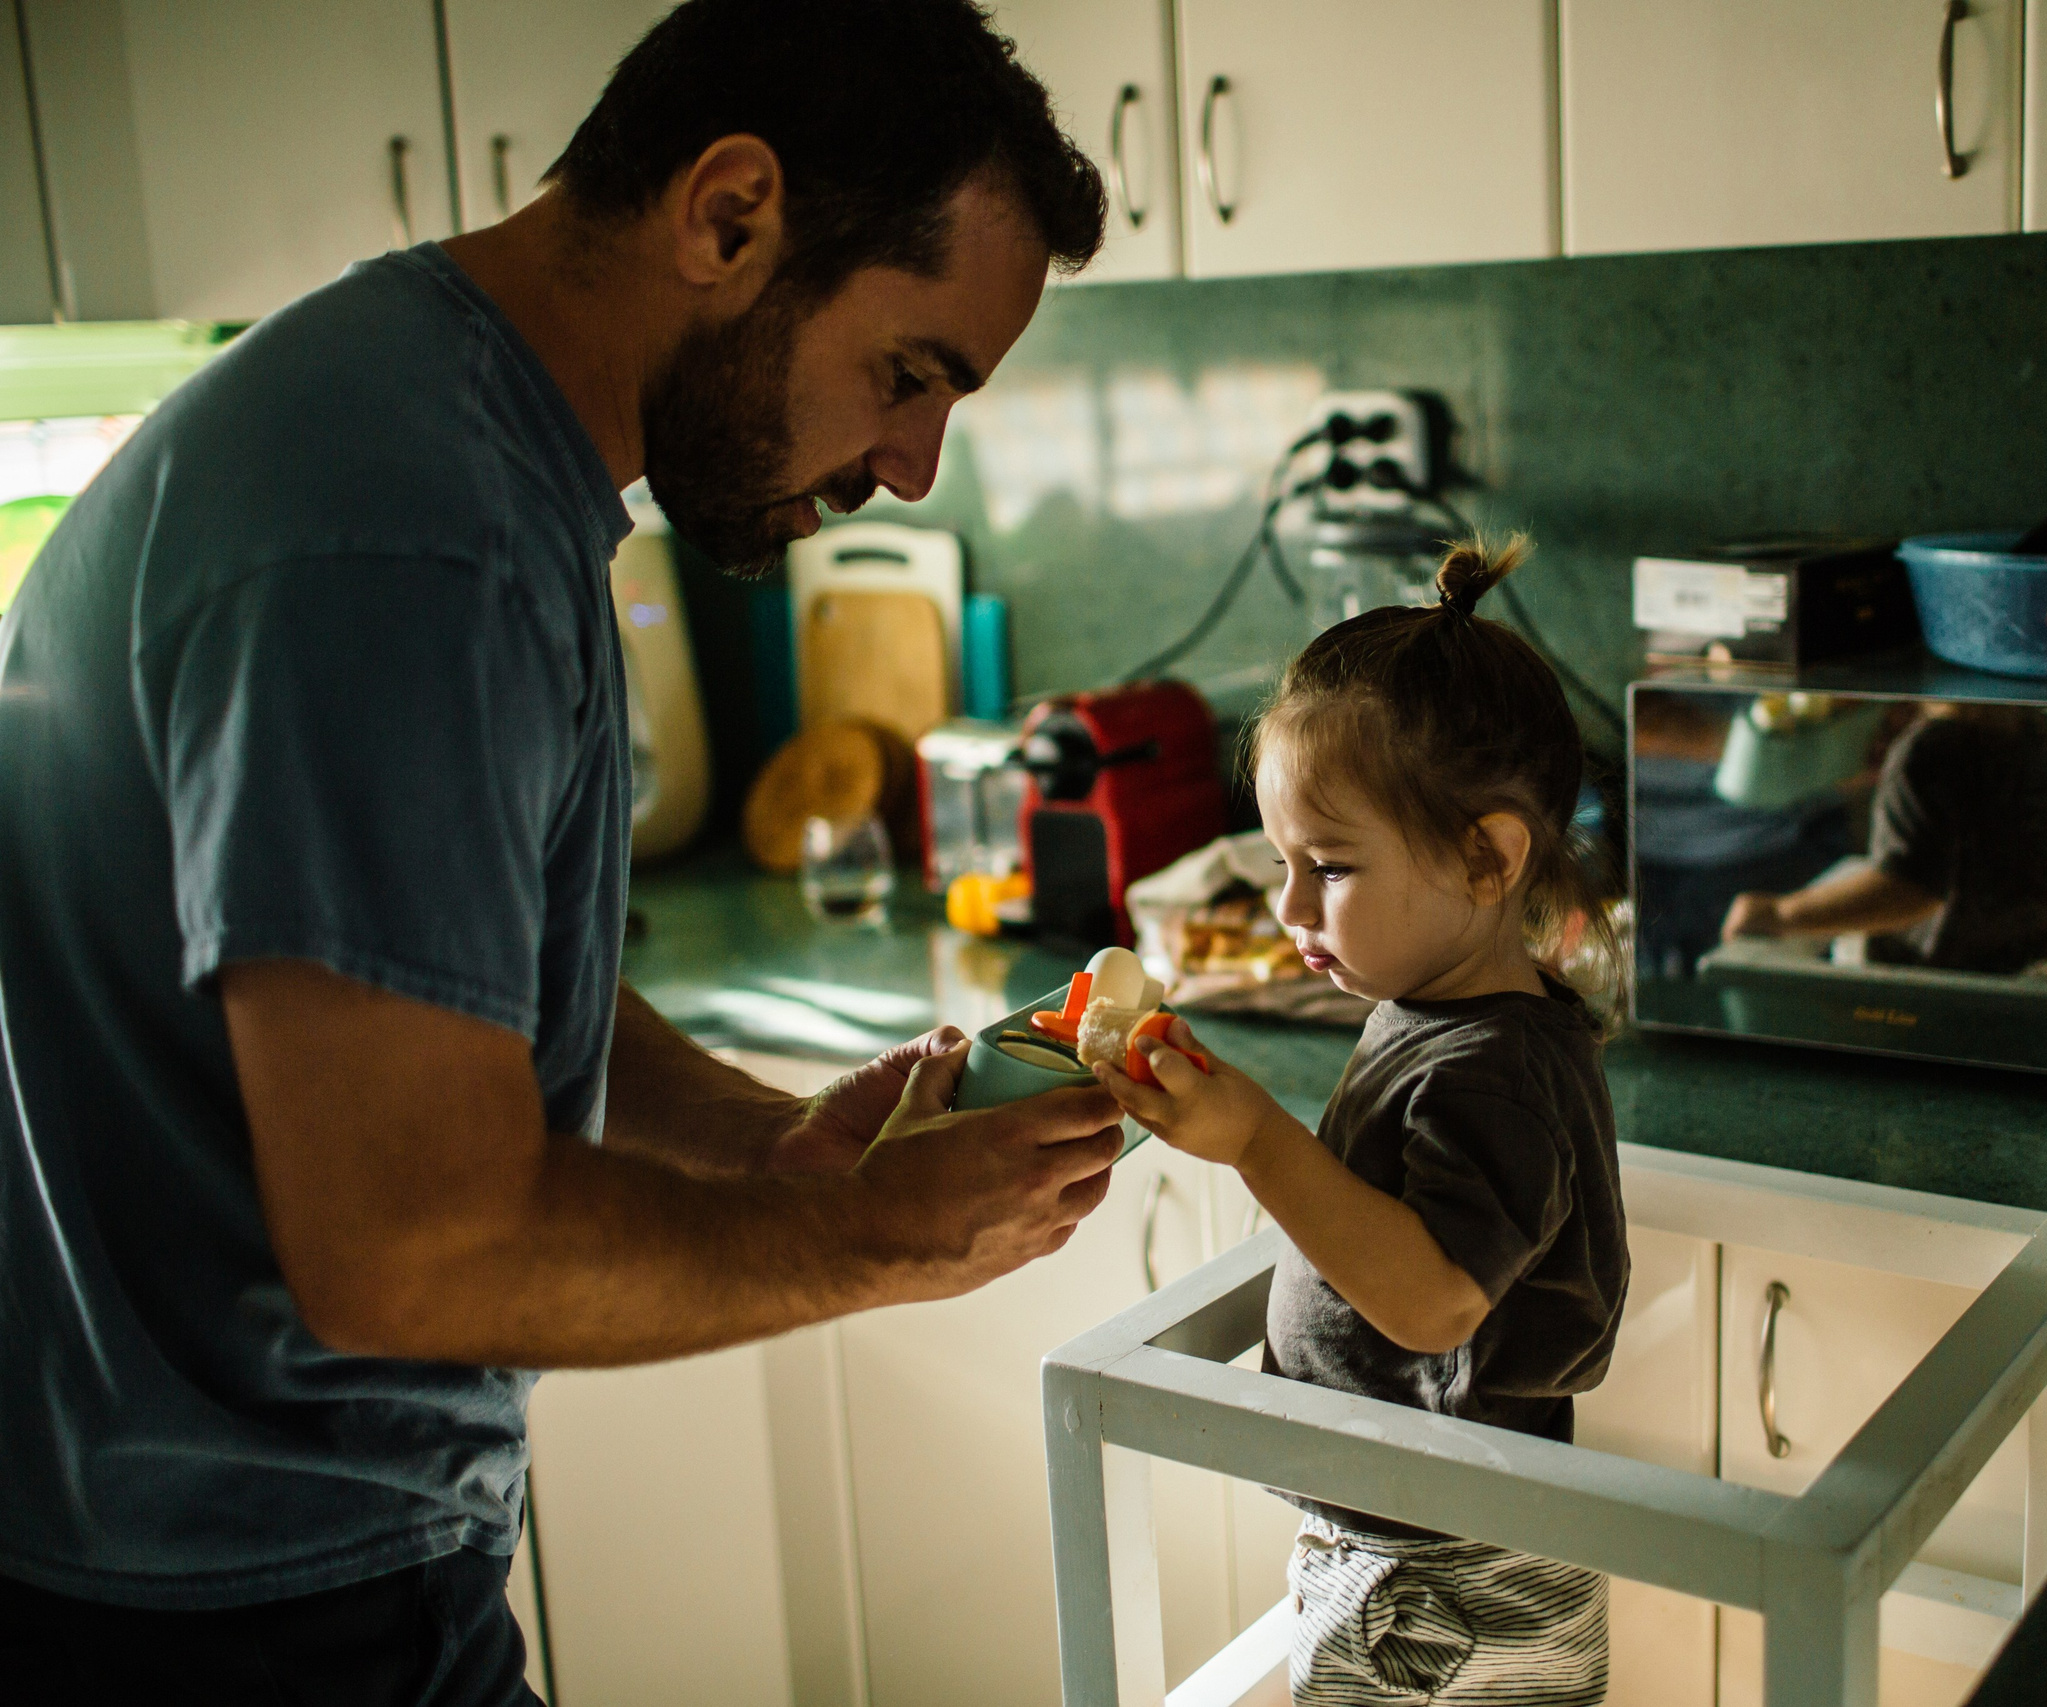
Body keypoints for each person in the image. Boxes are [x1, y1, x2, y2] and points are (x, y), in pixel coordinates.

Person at [0, 3, 1123, 1699]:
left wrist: (768, 1150)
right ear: (729, 213)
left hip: (211, 1555)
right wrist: (876, 1238)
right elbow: (409, 1244)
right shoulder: (411, 528)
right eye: (910, 374)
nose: (911, 464)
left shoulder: (421, 431)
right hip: (240, 1610)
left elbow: (442, 979)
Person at [1099, 539, 1631, 1707]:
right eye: (1284, 860)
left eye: (1327, 866)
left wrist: (1255, 1139)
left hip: (1447, 1577)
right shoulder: (1447, 1008)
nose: (1288, 907)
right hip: (1418, 1532)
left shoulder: (1492, 1069)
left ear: (1488, 859)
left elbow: (1436, 1299)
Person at [1723, 703, 2047, 978]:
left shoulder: (1930, 751)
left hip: (1936, 996)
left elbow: (1907, 890)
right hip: (2042, 973)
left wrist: (1778, 914)